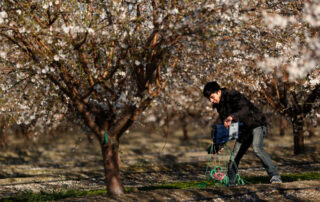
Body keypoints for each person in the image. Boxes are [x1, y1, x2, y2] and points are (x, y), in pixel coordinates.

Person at [203, 81, 282, 185]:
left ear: (218, 91)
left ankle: (275, 176)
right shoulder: (219, 106)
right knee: (234, 156)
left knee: (257, 148)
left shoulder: (232, 94)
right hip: (243, 130)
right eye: (209, 99)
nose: (211, 100)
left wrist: (232, 117)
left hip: (256, 123)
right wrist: (220, 144)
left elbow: (245, 109)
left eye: (212, 97)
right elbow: (227, 126)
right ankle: (231, 182)